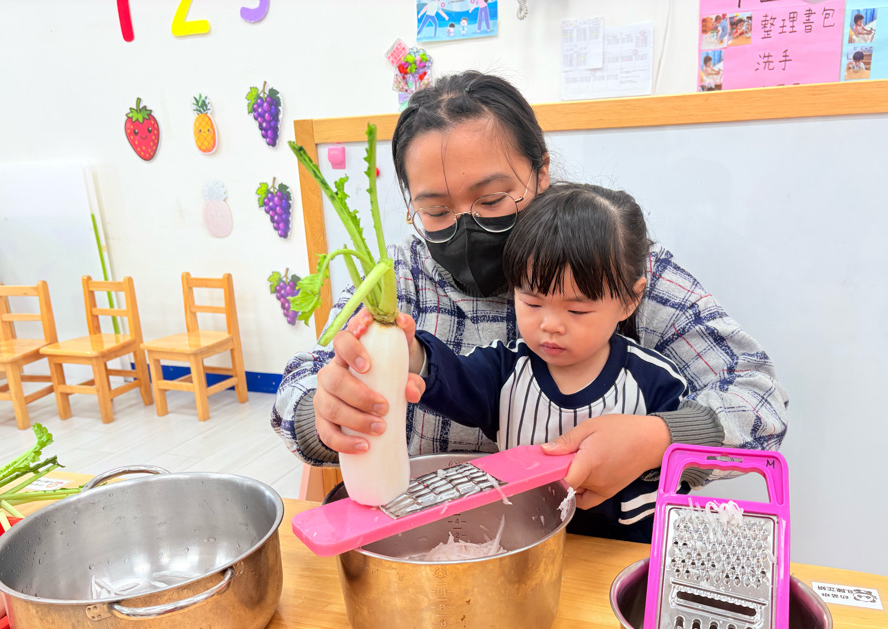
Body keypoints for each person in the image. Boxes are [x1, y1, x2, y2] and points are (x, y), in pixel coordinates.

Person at [271, 71, 788, 518]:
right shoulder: (399, 280)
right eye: (436, 211)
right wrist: (329, 412)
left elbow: (760, 399)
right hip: (421, 528)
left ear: (541, 173)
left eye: (493, 199)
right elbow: (295, 390)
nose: (465, 226)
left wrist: (660, 438)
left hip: (586, 545)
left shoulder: (610, 265)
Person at [349, 183, 689, 540]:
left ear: (630, 301)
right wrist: (407, 350)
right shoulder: (504, 371)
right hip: (526, 545)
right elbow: (452, 377)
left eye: (577, 310)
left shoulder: (656, 382)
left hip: (628, 555)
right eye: (532, 303)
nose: (550, 325)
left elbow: (692, 462)